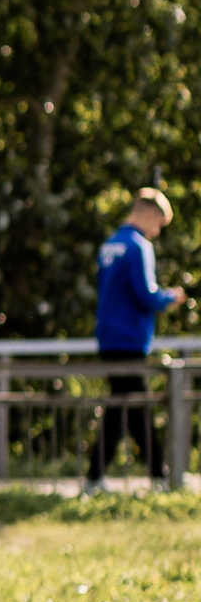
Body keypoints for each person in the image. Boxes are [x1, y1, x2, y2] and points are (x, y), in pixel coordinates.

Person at [89, 187, 183, 489]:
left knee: (121, 407)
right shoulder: (138, 246)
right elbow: (147, 295)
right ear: (148, 213)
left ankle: (97, 477)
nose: (156, 232)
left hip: (108, 337)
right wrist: (171, 297)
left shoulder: (109, 245)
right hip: (130, 339)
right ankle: (159, 477)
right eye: (158, 224)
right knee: (136, 408)